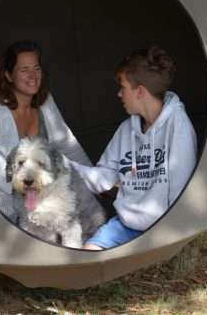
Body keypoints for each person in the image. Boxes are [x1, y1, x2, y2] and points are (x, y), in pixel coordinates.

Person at [69, 46, 197, 250]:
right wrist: (65, 168)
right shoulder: (126, 129)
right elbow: (105, 177)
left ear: (139, 92)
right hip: (125, 226)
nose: (119, 94)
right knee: (88, 256)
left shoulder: (178, 126)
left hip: (163, 230)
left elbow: (181, 195)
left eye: (122, 87)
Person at [0, 40, 91, 222]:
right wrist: (8, 212)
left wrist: (92, 187)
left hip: (46, 199)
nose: (33, 76)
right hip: (1, 207)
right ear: (8, 75)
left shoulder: (45, 102)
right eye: (24, 70)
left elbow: (68, 146)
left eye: (37, 68)